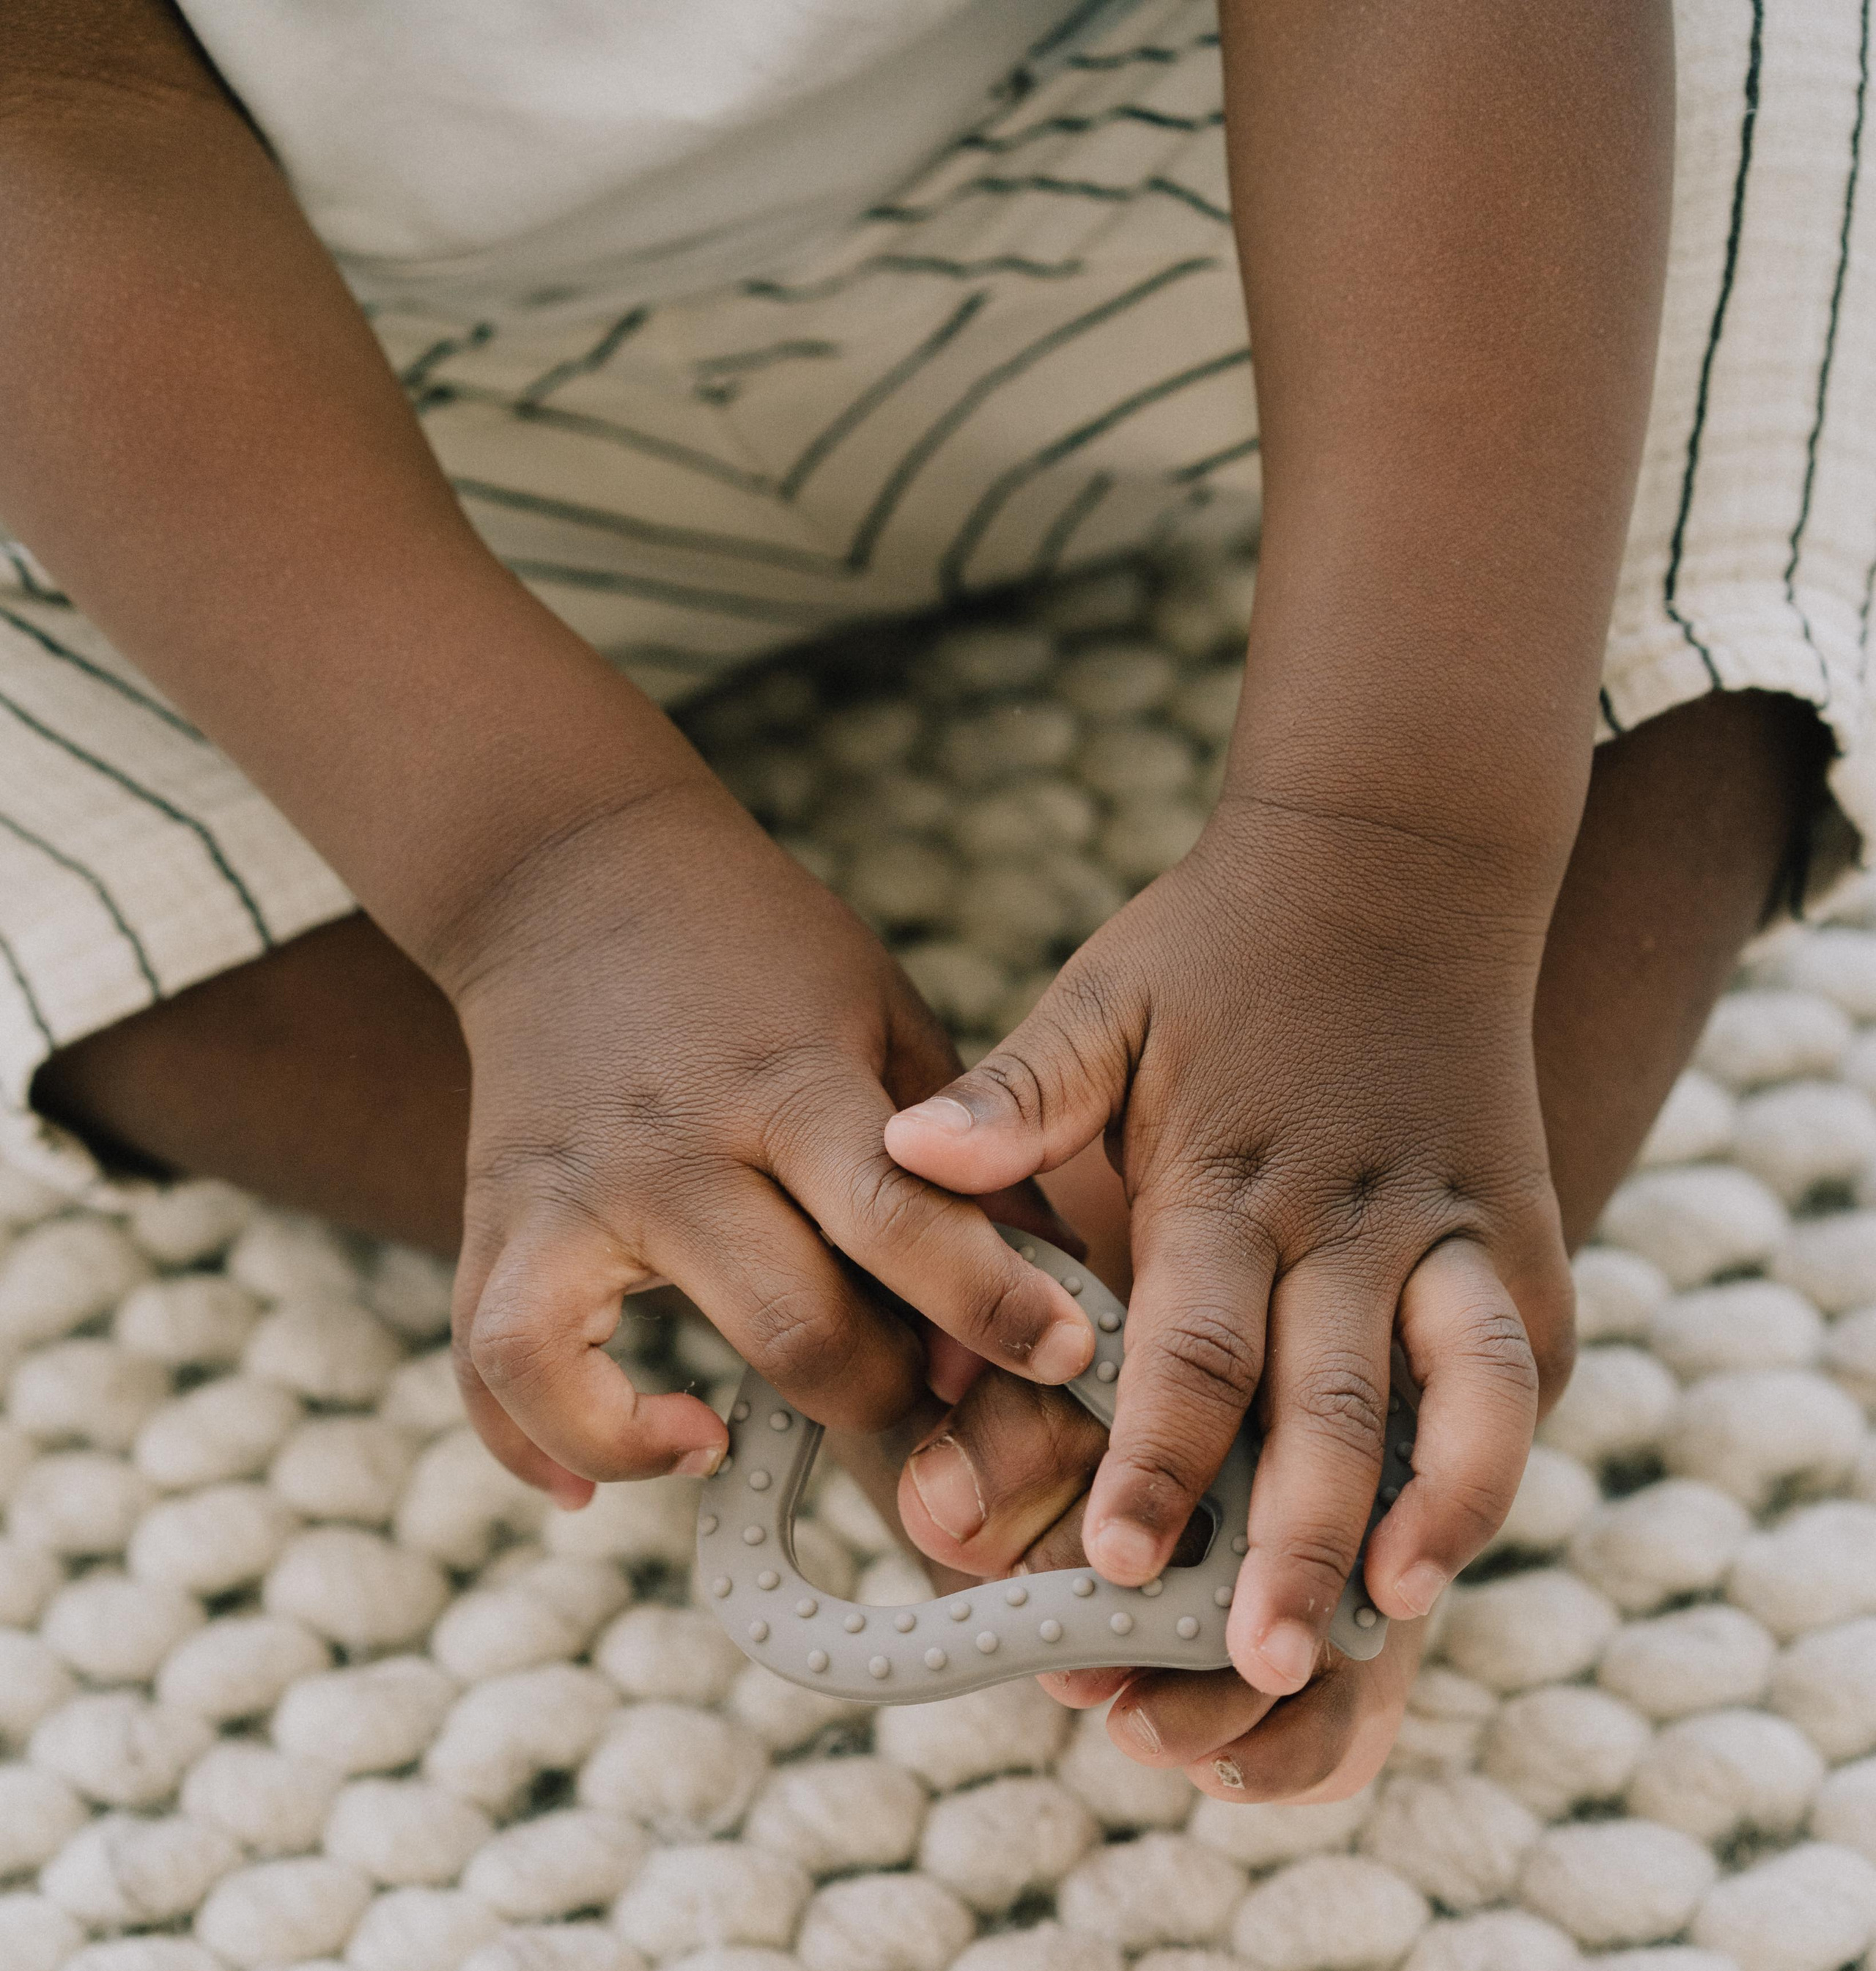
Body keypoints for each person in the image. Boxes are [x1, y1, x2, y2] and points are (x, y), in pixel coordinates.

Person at [1, 0, 1869, 1805]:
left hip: (1272, 218)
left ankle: (1337, 1319)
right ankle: (905, 1302)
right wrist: (536, 874)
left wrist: (1395, 853)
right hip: (280, 409)